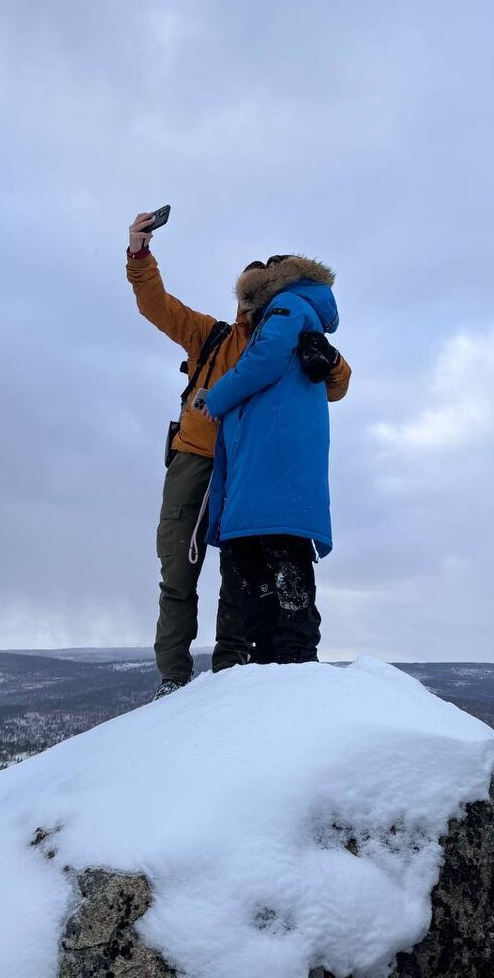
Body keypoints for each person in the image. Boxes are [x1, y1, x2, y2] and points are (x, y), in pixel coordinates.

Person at [126, 214, 351, 697]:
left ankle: (231, 669)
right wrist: (140, 256)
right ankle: (174, 678)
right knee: (179, 572)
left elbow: (338, 383)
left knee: (239, 571)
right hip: (198, 459)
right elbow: (157, 306)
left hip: (246, 468)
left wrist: (329, 362)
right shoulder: (213, 337)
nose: (250, 308)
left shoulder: (286, 332)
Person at [201, 254, 341, 664]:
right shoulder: (295, 311)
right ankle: (272, 658)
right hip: (270, 471)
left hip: (273, 470)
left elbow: (263, 361)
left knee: (280, 560)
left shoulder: (287, 308)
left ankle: (291, 659)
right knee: (266, 567)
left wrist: (217, 397)